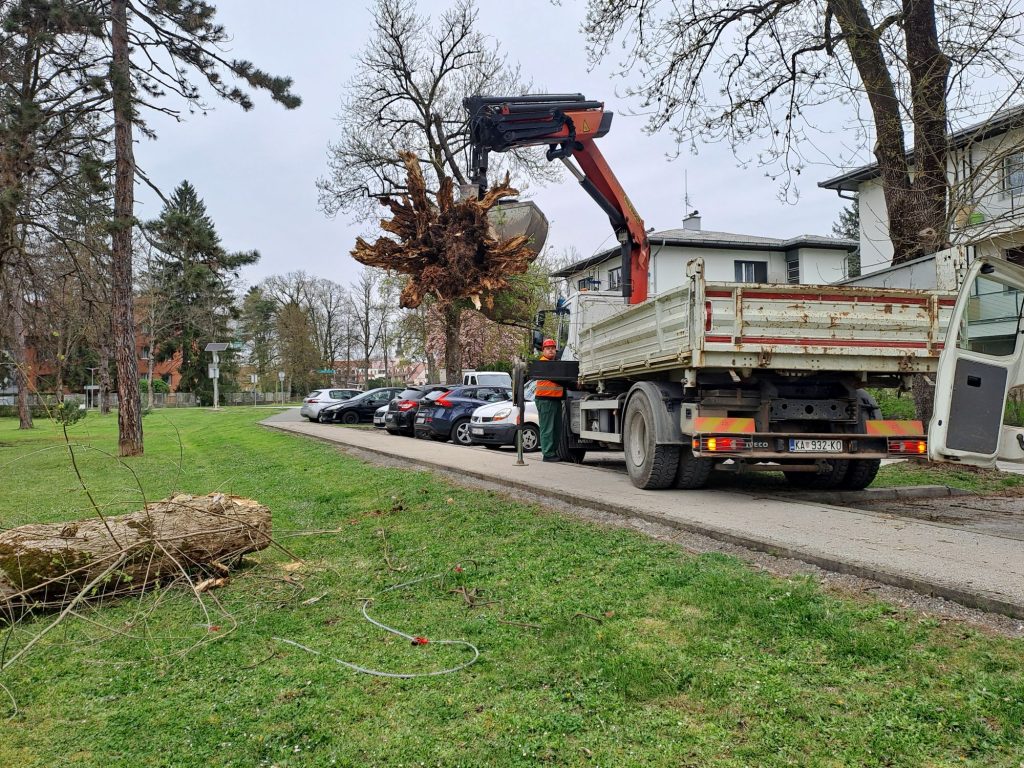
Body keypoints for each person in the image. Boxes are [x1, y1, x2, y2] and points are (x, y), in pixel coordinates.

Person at [534, 338, 564, 462]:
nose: (551, 350)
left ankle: (552, 452)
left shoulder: (553, 363)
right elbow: (558, 379)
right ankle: (547, 454)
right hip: (546, 400)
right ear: (543, 351)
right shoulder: (544, 363)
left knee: (556, 428)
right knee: (548, 428)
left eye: (553, 348)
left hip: (555, 399)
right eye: (548, 348)